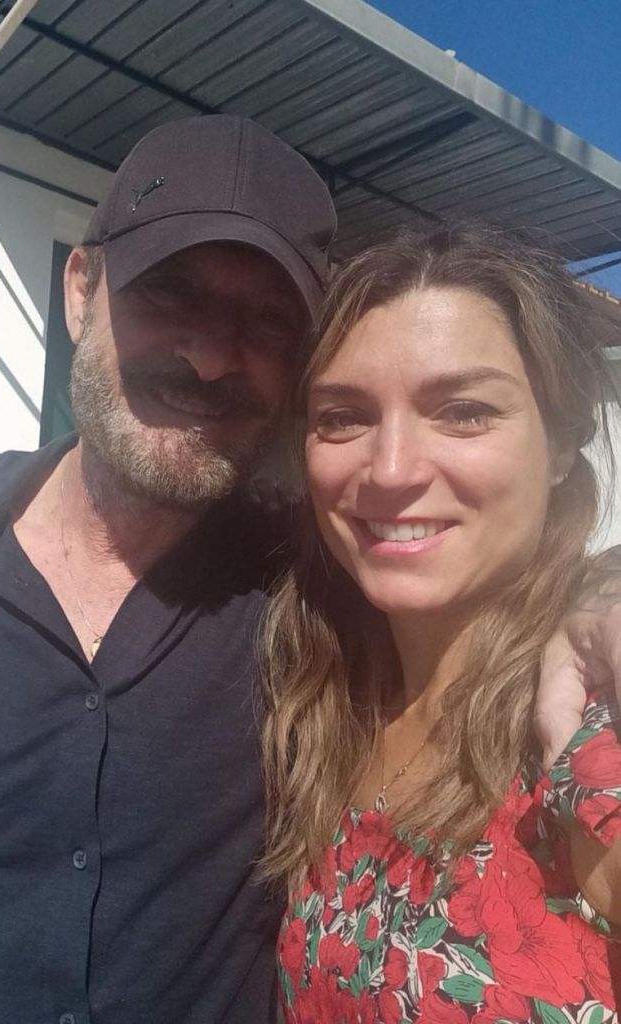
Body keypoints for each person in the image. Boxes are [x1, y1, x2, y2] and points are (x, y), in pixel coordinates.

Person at [0, 116, 618, 1024]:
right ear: (80, 289)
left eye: (266, 320)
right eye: (168, 290)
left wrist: (596, 594)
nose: (212, 355)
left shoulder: (309, 586)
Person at [264, 222, 621, 1023]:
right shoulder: (320, 701)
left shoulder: (588, 719)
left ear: (563, 442)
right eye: (342, 417)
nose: (390, 470)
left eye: (462, 411)